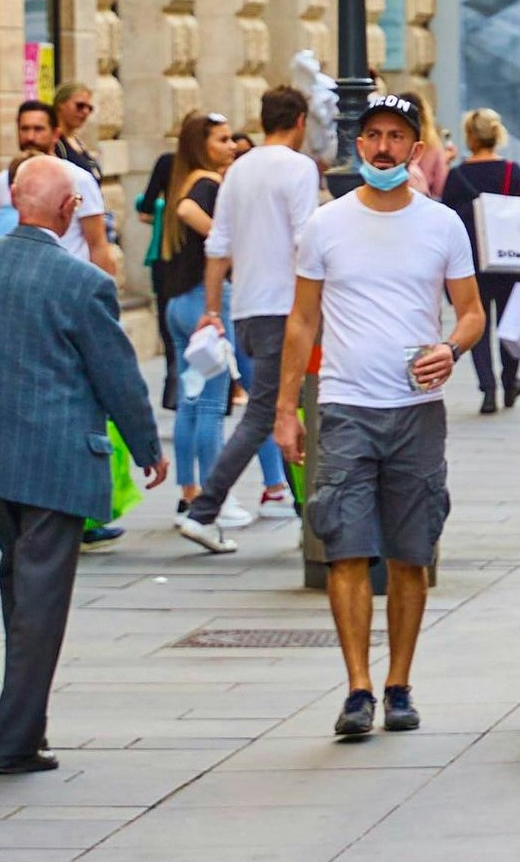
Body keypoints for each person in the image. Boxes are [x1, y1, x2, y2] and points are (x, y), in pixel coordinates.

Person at [0, 157, 168, 775]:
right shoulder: (80, 281)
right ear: (66, 211)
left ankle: (28, 728)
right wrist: (147, 448)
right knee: (39, 601)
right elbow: (117, 375)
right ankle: (13, 742)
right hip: (57, 462)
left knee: (20, 584)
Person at [269, 93, 486, 738]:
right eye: (373, 137)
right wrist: (286, 409)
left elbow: (471, 312)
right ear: (357, 147)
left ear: (416, 149)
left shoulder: (442, 224)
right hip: (343, 406)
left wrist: (451, 350)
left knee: (411, 554)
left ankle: (400, 684)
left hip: (416, 411)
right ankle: (358, 687)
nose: (384, 147)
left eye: (396, 136)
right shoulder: (325, 225)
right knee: (344, 548)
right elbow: (302, 320)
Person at [177, 85, 319, 542]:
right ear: (299, 121)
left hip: (248, 308)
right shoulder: (299, 168)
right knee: (273, 412)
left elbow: (218, 246)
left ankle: (305, 513)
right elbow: (304, 240)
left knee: (285, 408)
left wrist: (213, 308)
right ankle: (203, 510)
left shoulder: (237, 171)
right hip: (288, 308)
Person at [148, 114, 237, 514]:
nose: (232, 145)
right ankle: (213, 497)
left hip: (177, 304)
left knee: (190, 401)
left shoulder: (182, 178)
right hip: (206, 302)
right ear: (203, 146)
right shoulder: (207, 182)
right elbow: (187, 211)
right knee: (211, 406)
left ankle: (189, 490)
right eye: (222, 139)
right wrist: (223, 240)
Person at [437, 109, 520, 412]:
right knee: (509, 324)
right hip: (509, 261)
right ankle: (509, 381)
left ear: (469, 136)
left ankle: (488, 389)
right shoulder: (512, 172)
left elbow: (447, 222)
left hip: (471, 263)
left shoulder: (457, 176)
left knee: (476, 323)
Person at [9, 97, 117, 274]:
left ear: (55, 134)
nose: (30, 137)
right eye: (24, 129)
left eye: (38, 129)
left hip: (69, 281)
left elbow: (98, 244)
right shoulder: (5, 179)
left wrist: (105, 293)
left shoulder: (79, 179)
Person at [51, 80, 104, 184]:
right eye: (80, 106)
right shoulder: (53, 142)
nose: (85, 112)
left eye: (89, 108)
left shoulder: (78, 141)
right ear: (60, 104)